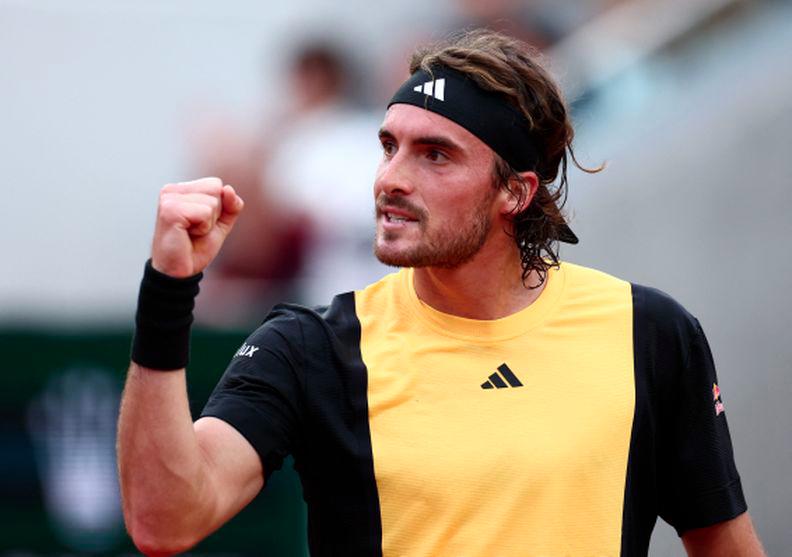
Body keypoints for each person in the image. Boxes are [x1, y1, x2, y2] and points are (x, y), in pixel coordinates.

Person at [117, 30, 765, 556]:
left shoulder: (647, 331)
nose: (390, 179)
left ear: (517, 190)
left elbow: (723, 543)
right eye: (389, 146)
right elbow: (166, 519)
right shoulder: (310, 347)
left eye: (435, 155)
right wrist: (168, 292)